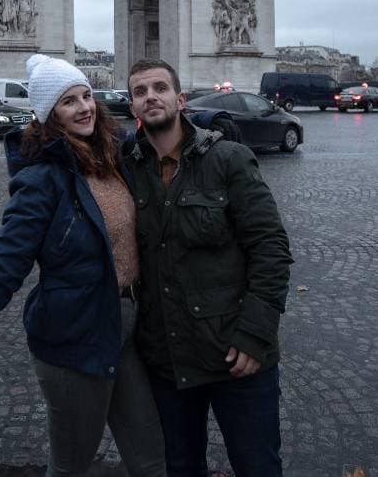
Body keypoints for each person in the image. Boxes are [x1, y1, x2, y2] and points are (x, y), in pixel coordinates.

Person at [0, 54, 166, 477]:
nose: (84, 107)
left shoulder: (116, 155)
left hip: (125, 334)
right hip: (73, 341)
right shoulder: (39, 181)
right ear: (49, 115)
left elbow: (168, 136)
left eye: (86, 96)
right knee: (70, 468)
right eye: (69, 102)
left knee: (153, 460)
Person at [124, 58, 293, 477]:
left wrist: (255, 333)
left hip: (237, 355)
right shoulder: (127, 168)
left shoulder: (230, 159)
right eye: (140, 92)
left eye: (160, 88)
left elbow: (271, 248)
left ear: (180, 99)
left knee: (258, 467)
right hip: (167, 358)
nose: (151, 98)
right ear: (132, 109)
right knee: (180, 468)